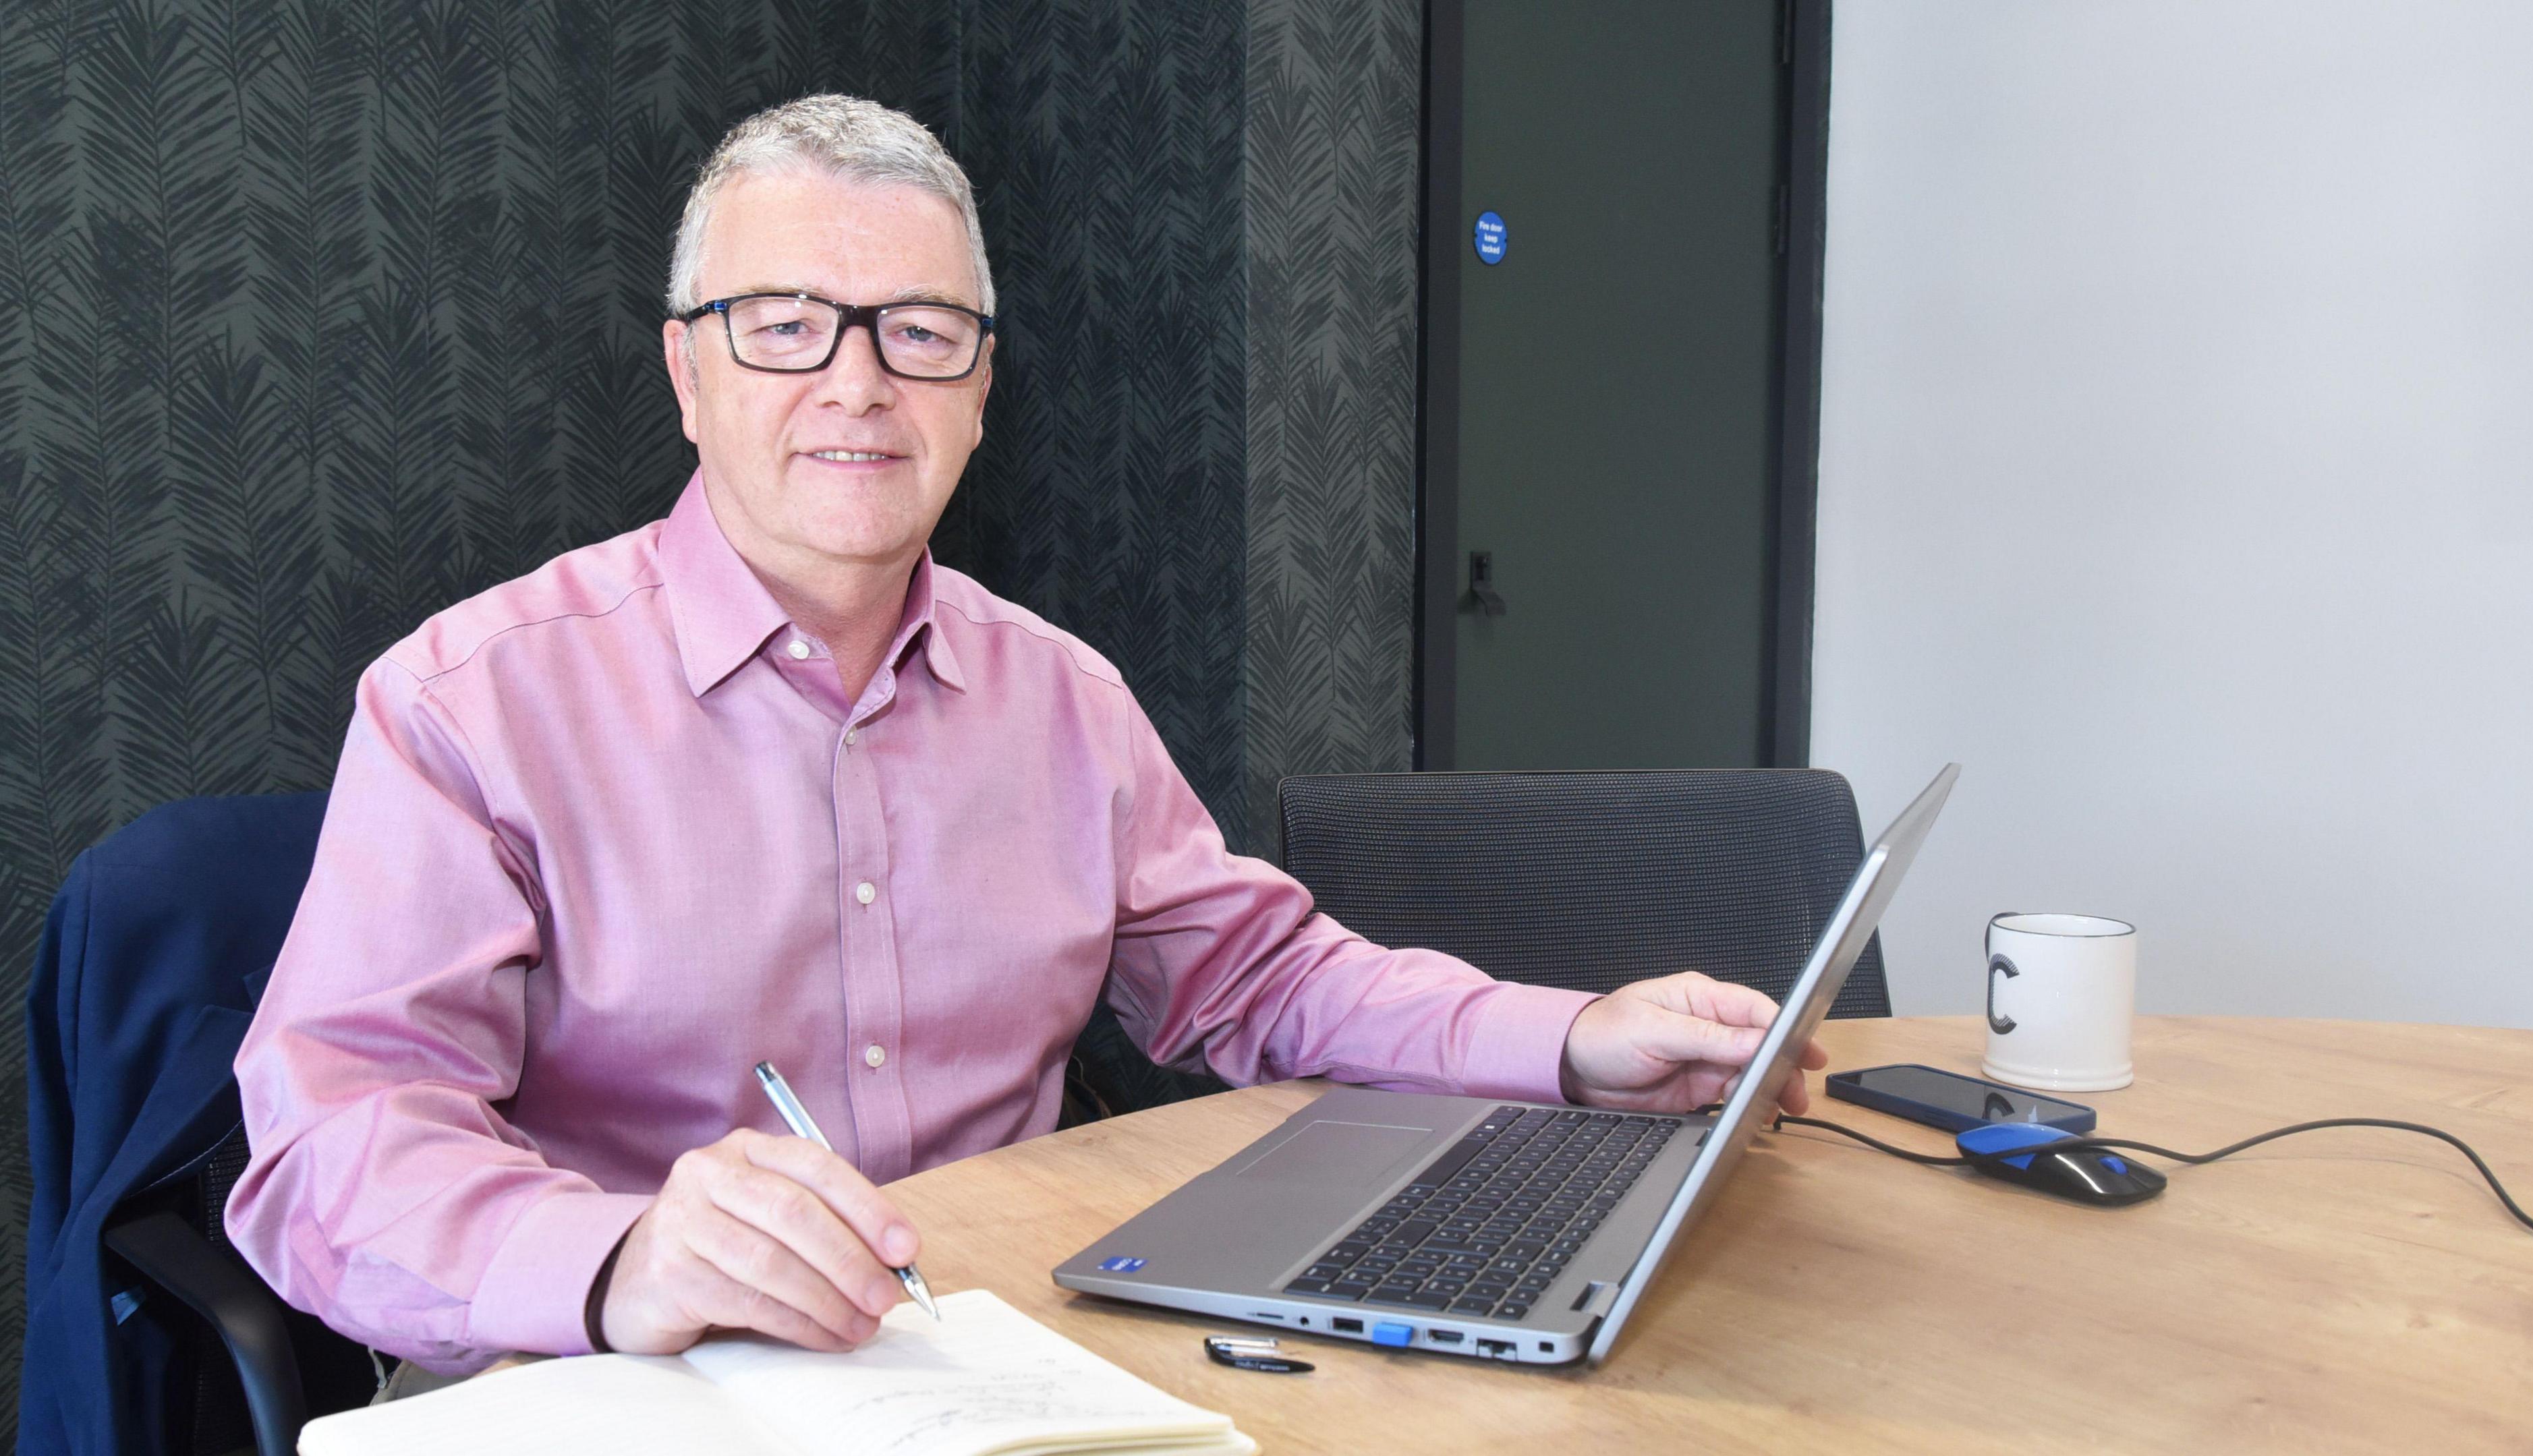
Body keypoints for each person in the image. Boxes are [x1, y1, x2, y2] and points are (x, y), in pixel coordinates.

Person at [225, 94, 1824, 1381]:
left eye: (918, 332)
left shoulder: (1059, 695)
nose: (857, 384)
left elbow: (1261, 980)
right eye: (784, 324)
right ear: (686, 369)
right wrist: (617, 1255)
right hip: (620, 1377)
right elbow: (328, 1148)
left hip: (995, 1365)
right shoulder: (469, 704)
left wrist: (1566, 1040)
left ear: (980, 390)